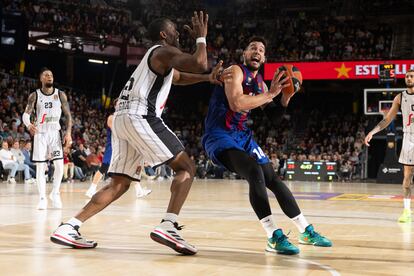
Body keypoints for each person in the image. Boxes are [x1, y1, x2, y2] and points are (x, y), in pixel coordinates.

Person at [51, 12, 221, 254]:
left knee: (119, 184)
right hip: (141, 115)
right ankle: (168, 225)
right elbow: (199, 62)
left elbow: (180, 77)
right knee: (187, 168)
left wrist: (207, 79)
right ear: (164, 34)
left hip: (122, 119)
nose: (178, 33)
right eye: (174, 29)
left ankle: (69, 226)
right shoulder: (162, 50)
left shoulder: (158, 59)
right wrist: (201, 39)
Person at [202, 36, 332, 255]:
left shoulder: (260, 82)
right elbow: (236, 103)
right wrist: (270, 94)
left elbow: (274, 118)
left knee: (272, 177)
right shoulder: (235, 71)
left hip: (242, 135)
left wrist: (285, 98)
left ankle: (305, 230)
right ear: (244, 54)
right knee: (254, 171)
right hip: (219, 135)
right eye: (253, 48)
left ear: (264, 58)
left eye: (261, 50)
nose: (257, 52)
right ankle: (273, 236)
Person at [365, 69, 414, 223]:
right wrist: (372, 131)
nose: (409, 78)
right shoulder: (400, 97)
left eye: (412, 76)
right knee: (407, 177)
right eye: (407, 76)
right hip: (409, 138)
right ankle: (407, 211)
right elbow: (387, 119)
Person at [22, 67, 73, 210]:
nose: (49, 76)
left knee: (58, 165)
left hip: (55, 133)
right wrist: (28, 124)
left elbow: (68, 116)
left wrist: (68, 133)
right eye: (46, 75)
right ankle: (42, 198)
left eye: (51, 74)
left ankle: (55, 193)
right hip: (40, 134)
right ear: (41, 79)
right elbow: (26, 113)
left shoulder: (60, 94)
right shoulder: (35, 95)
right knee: (40, 167)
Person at [85, 107, 151, 199]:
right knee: (104, 167)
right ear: (116, 106)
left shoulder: (123, 119)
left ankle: (139, 191)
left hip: (122, 146)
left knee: (132, 167)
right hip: (112, 146)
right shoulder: (111, 117)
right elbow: (117, 130)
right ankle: (91, 190)